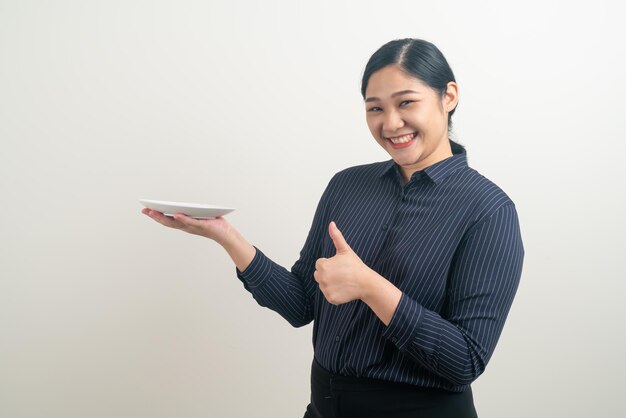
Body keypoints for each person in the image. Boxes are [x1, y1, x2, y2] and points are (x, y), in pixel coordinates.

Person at [142, 38, 524, 418]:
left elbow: (465, 361)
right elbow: (300, 304)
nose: (390, 123)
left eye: (406, 102)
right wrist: (225, 236)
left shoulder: (489, 211)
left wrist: (371, 287)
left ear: (449, 96)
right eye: (375, 108)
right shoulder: (346, 185)